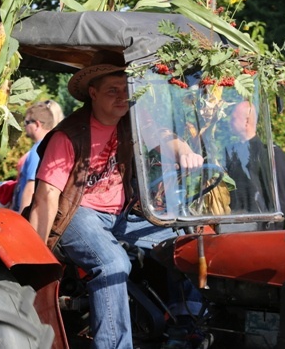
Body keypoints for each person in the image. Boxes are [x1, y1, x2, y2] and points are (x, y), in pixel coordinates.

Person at [29, 60, 203, 349]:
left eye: (126, 89)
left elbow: (162, 137)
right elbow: (46, 197)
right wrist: (34, 259)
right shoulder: (67, 136)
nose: (123, 96)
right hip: (77, 214)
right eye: (113, 90)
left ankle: (187, 327)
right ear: (93, 93)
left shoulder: (131, 122)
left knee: (189, 243)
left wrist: (184, 151)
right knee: (112, 264)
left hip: (122, 215)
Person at [223, 101, 285, 229]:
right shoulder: (230, 153)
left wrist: (273, 233)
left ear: (247, 121)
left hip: (259, 229)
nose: (229, 122)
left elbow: (280, 199)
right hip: (232, 226)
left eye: (234, 118)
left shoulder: (269, 153)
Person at [14, 100, 64, 214]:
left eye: (26, 122)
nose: (24, 126)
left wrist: (22, 221)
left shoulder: (38, 150)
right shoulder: (52, 147)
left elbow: (30, 188)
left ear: (37, 124)